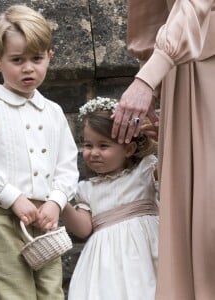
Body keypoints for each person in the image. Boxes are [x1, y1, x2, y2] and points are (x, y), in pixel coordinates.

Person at [0, 5, 79, 300]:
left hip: (46, 218)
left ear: (49, 57)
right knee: (12, 290)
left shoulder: (53, 112)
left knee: (51, 291)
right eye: (17, 60)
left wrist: (55, 202)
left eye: (37, 59)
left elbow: (67, 166)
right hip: (1, 216)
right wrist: (13, 198)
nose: (28, 68)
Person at [111, 1, 215, 299]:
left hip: (198, 71)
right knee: (189, 227)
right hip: (184, 74)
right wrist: (150, 76)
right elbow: (149, 9)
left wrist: (148, 78)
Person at [62, 97, 159, 300]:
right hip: (105, 264)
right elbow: (83, 229)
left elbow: (174, 174)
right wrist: (60, 200)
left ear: (128, 149)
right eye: (88, 145)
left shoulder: (144, 172)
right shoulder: (86, 189)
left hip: (145, 255)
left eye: (103, 146)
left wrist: (165, 137)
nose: (93, 153)